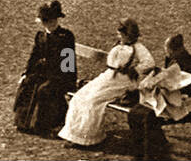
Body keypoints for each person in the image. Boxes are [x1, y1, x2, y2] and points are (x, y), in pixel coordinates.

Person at [59, 18, 154, 147]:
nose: (119, 36)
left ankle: (89, 138)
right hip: (109, 77)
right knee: (80, 96)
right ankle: (75, 136)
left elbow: (149, 63)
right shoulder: (119, 45)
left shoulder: (138, 48)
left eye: (121, 34)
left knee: (93, 101)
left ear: (128, 34)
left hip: (123, 82)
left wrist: (135, 69)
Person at [128, 34, 191, 161]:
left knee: (145, 115)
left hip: (179, 103)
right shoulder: (174, 58)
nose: (166, 51)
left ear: (177, 49)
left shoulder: (187, 63)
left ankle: (151, 152)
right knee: (134, 112)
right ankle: (153, 146)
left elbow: (183, 88)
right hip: (168, 98)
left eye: (167, 48)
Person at [14, 0, 77, 136]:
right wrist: (26, 72)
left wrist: (67, 81)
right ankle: (24, 122)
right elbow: (34, 56)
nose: (50, 24)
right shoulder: (41, 36)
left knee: (44, 90)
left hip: (60, 75)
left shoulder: (65, 37)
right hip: (42, 73)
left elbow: (69, 63)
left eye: (53, 20)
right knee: (27, 84)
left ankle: (45, 125)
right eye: (47, 21)